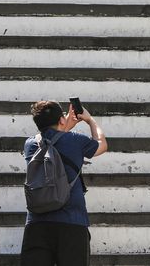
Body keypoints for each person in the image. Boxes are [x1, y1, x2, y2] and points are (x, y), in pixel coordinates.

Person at [21, 101, 108, 266]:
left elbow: (51, 143)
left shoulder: (30, 145)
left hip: (37, 224)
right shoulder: (76, 140)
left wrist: (63, 124)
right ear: (61, 120)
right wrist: (90, 120)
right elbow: (102, 145)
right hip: (72, 222)